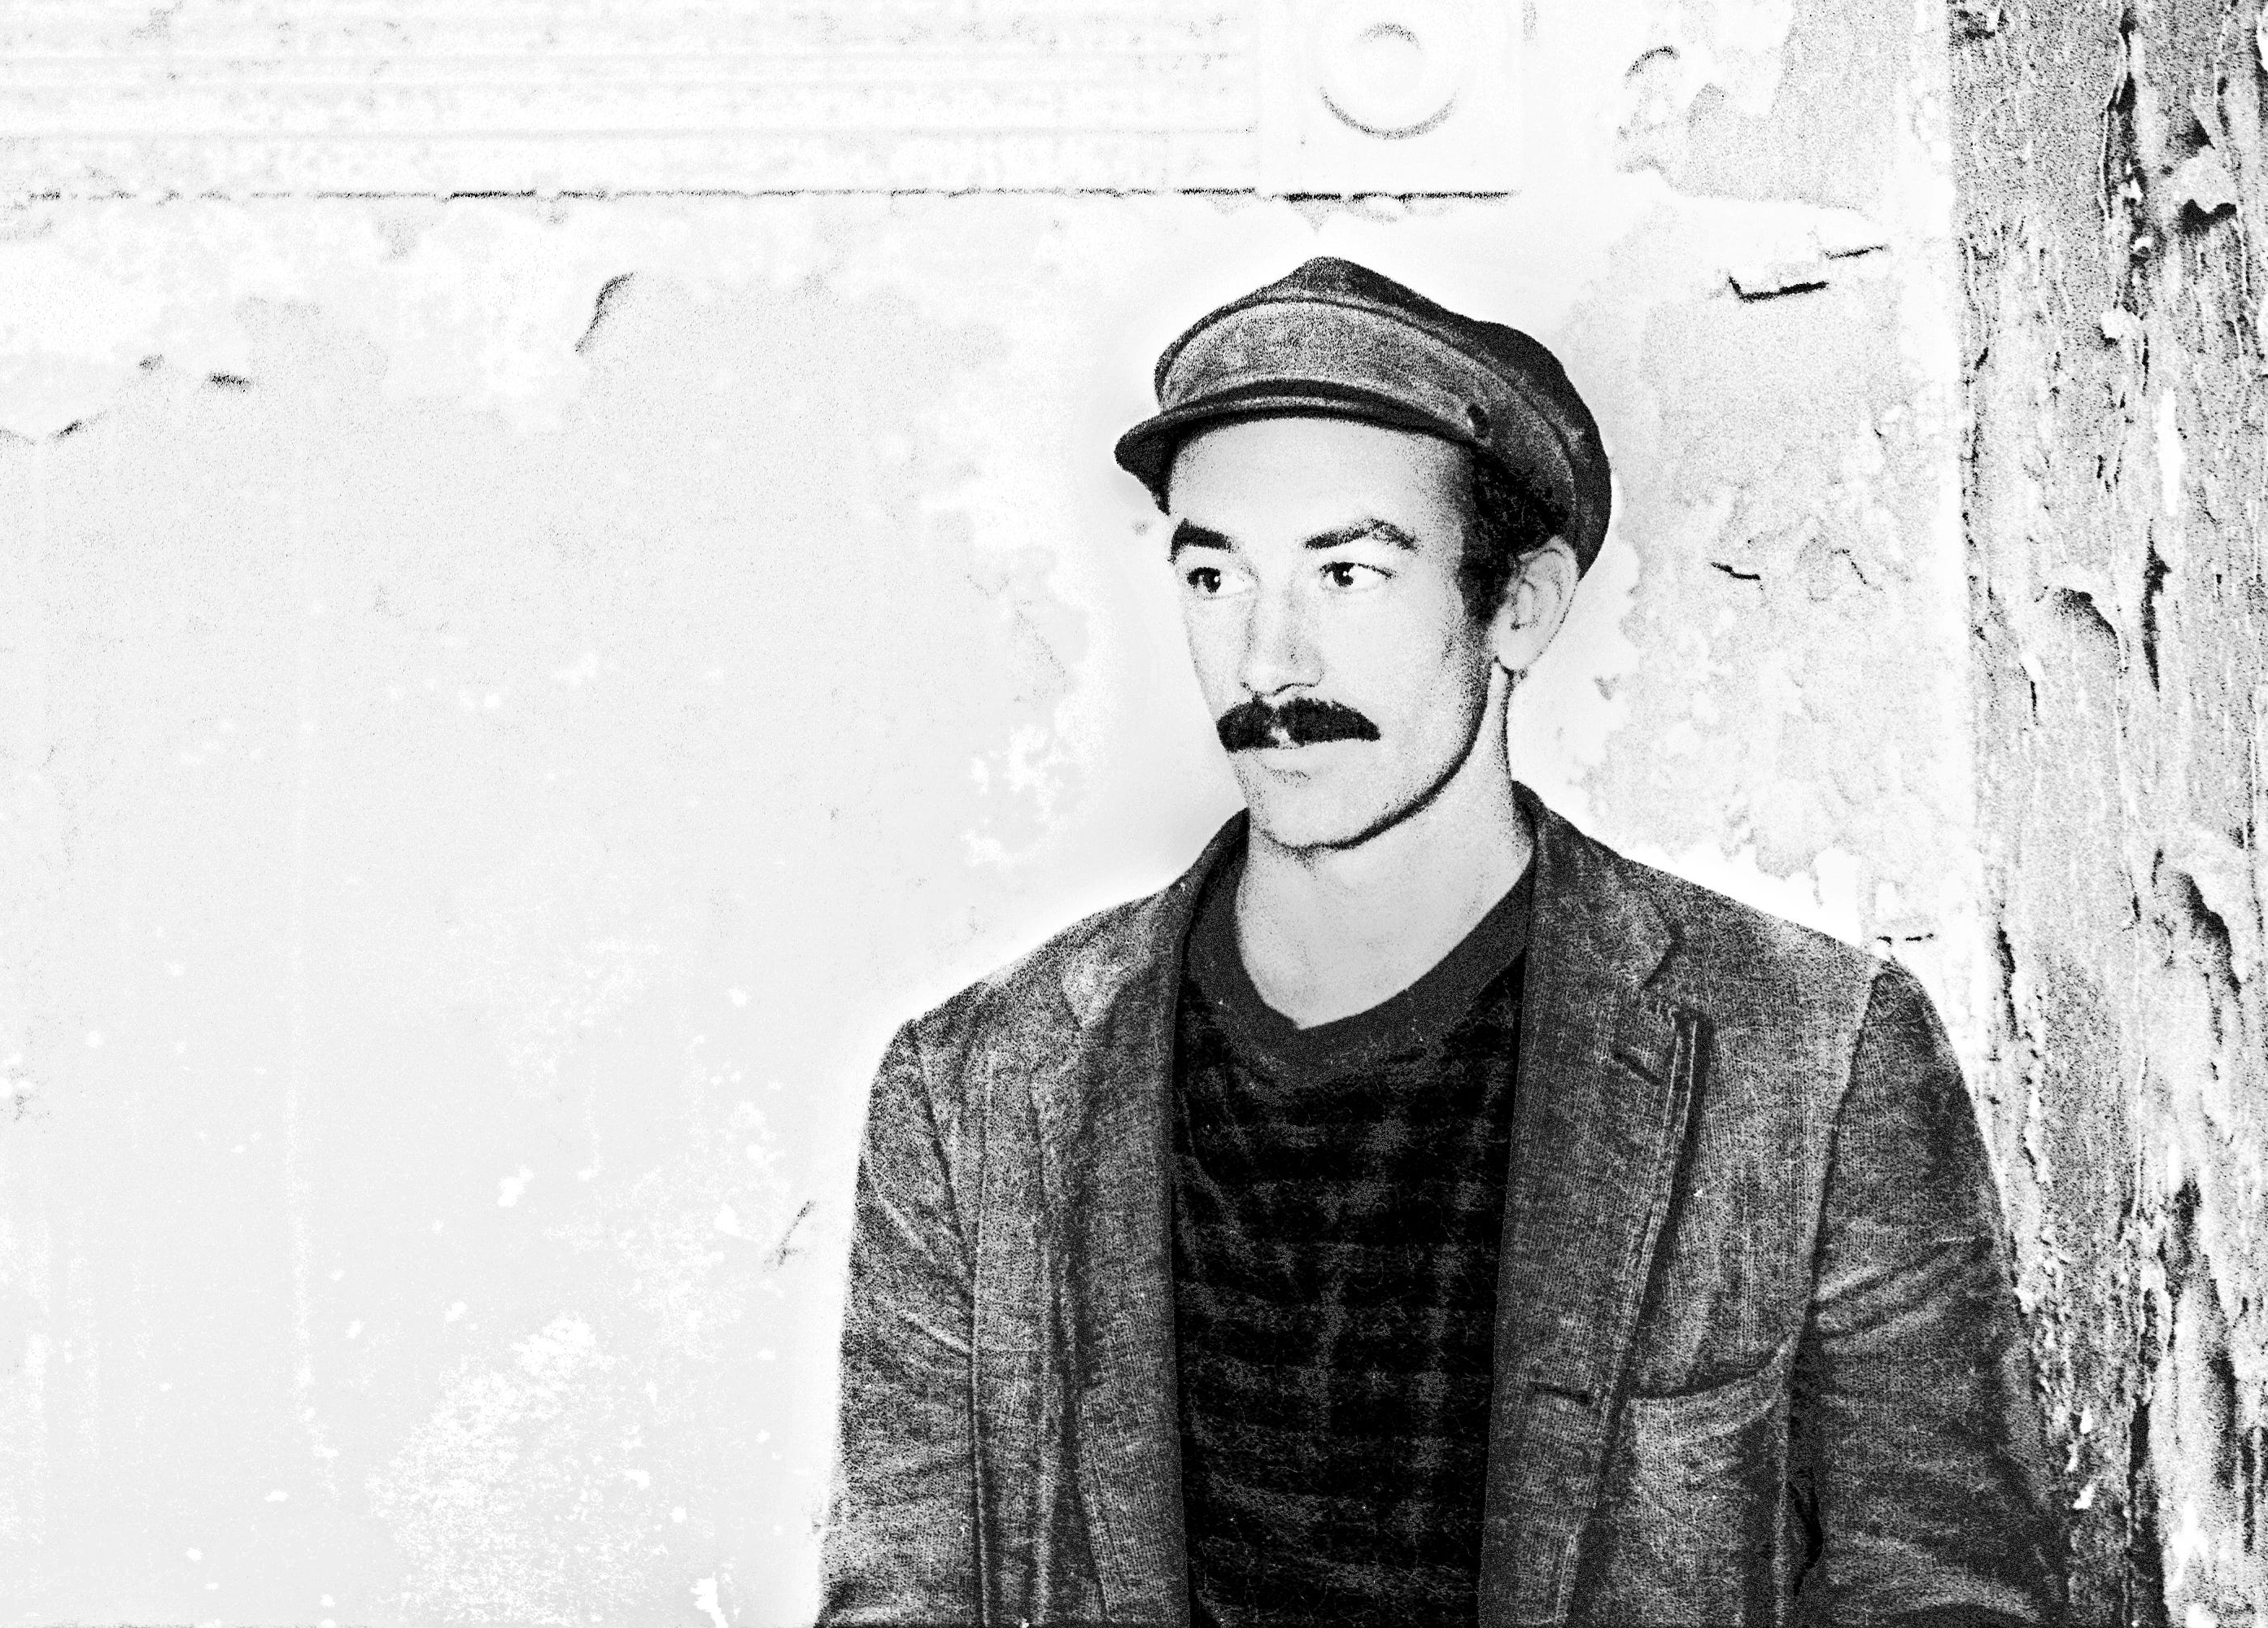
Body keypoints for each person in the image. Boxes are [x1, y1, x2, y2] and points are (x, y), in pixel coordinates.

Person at [817, 256, 2059, 1625]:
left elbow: (1945, 1590)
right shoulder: (977, 1088)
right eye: (1215, 575)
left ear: (1519, 605)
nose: (1269, 662)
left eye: (1348, 573)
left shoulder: (1810, 1055)